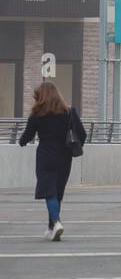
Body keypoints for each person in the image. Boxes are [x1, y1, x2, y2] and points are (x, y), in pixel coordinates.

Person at [19, 82, 86, 241]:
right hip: (64, 157)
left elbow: (27, 136)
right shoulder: (69, 111)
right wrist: (73, 147)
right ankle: (52, 229)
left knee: (49, 192)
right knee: (57, 192)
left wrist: (21, 142)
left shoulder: (37, 114)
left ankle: (56, 222)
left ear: (40, 97)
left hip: (46, 156)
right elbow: (82, 134)